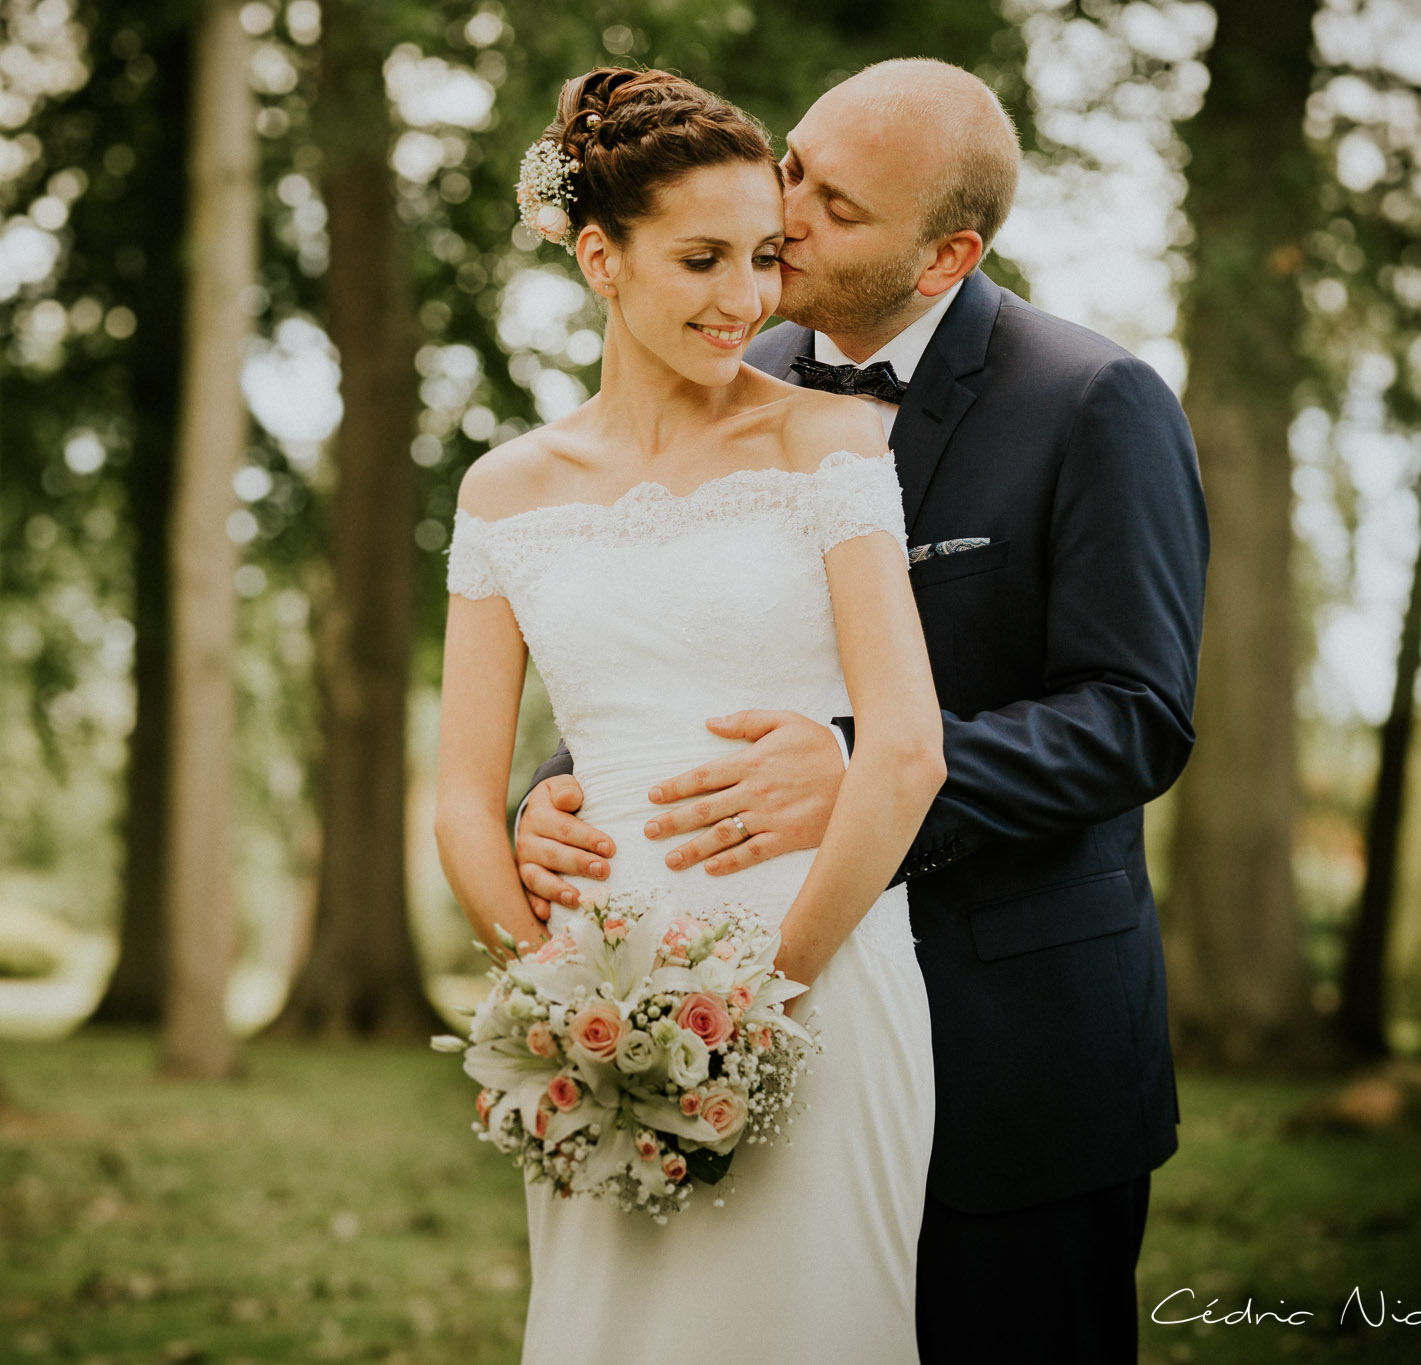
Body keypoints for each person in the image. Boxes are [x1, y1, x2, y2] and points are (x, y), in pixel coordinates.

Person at [512, 59, 1209, 1363]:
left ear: (947, 253)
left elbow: (1136, 714)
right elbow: (663, 634)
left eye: (832, 205)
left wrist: (865, 769)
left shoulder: (1094, 403)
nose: (782, 217)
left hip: (1014, 1049)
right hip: (757, 1035)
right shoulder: (727, 368)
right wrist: (553, 797)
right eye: (792, 167)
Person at [435, 67, 944, 1362]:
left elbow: (903, 751)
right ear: (601, 257)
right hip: (600, 1013)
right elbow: (458, 793)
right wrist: (555, 1007)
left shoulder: (832, 445)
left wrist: (756, 1011)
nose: (746, 299)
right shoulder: (505, 491)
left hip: (817, 977)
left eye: (765, 257)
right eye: (702, 258)